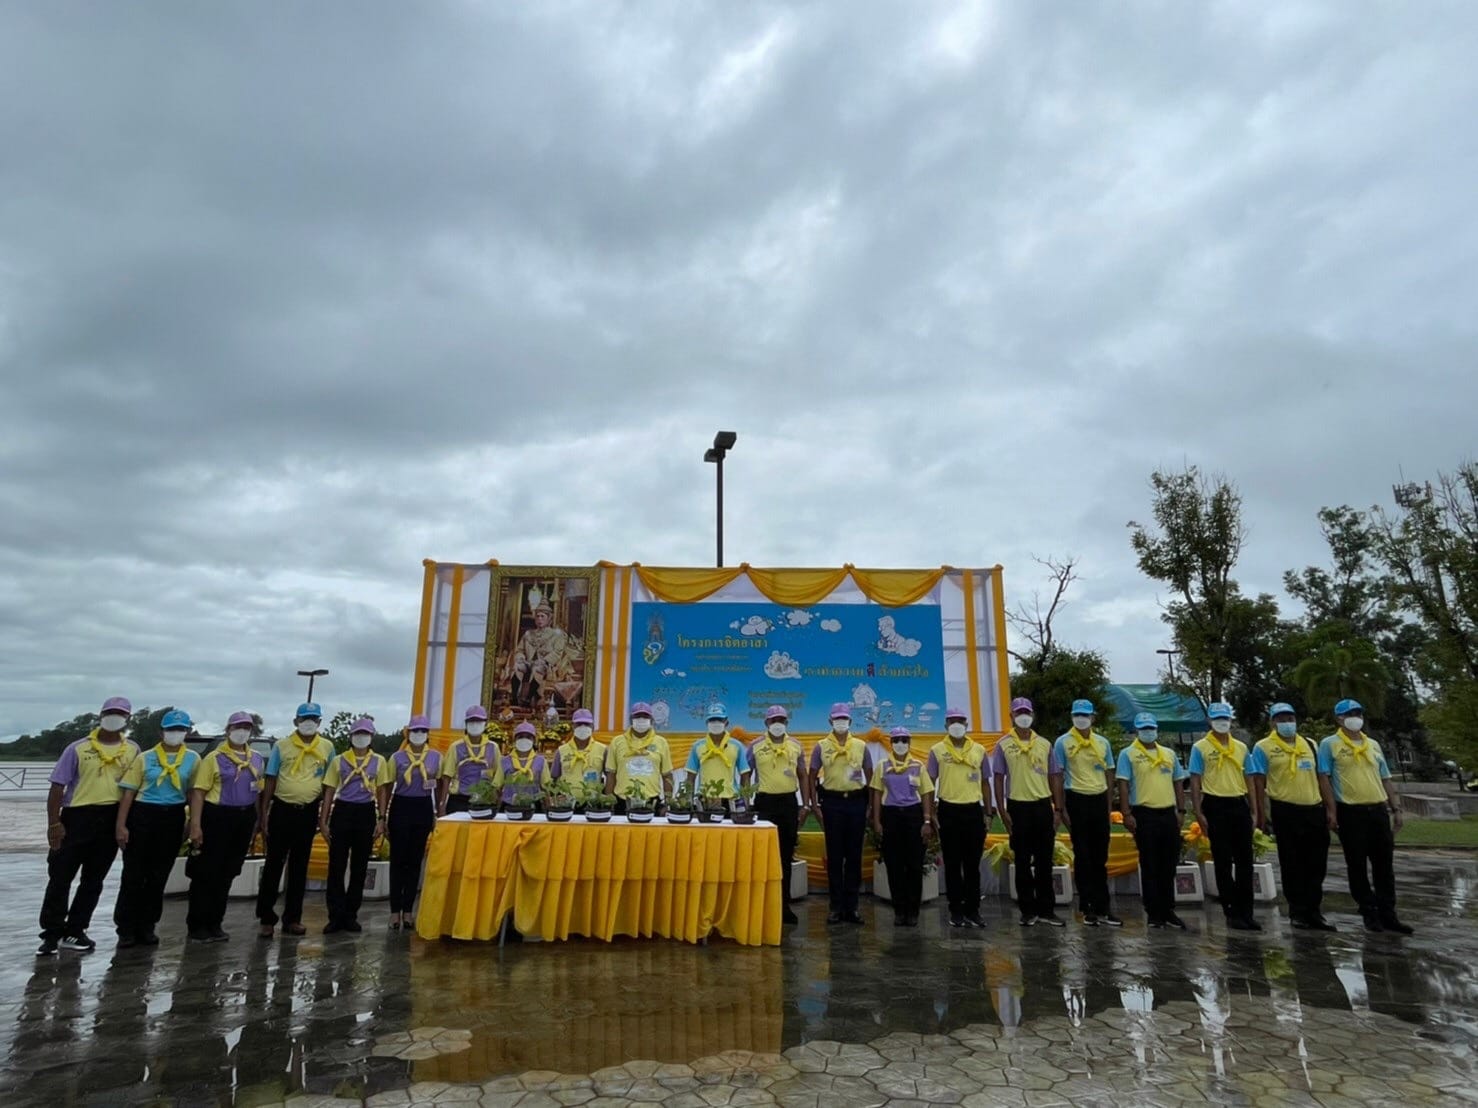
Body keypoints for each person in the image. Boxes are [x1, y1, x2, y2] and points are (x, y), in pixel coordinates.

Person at [38, 696, 142, 955]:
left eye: (120, 714)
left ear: (127, 719)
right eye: (110, 712)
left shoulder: (133, 750)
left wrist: (124, 825)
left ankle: (75, 930)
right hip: (76, 817)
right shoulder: (77, 748)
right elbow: (57, 787)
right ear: (101, 715)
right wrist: (54, 822)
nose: (114, 717)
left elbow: (134, 788)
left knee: (93, 880)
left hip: (110, 818)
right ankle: (51, 933)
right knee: (60, 877)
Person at [1318, 698, 1412, 934]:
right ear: (1339, 718)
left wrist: (1396, 808)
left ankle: (1389, 914)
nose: (1355, 717)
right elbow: (1324, 779)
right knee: (1357, 865)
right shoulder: (1329, 744)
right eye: (1350, 713)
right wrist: (1332, 810)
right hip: (1351, 811)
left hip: (1377, 809)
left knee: (1384, 866)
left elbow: (1386, 778)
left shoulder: (1373, 745)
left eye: (1358, 712)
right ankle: (1369, 912)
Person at [113, 709, 200, 948]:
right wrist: (121, 825)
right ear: (161, 732)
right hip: (142, 814)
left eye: (181, 730)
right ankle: (125, 927)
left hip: (172, 817)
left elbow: (193, 793)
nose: (176, 734)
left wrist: (194, 824)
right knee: (133, 874)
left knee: (158, 875)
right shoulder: (145, 757)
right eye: (171, 729)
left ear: (187, 732)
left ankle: (148, 925)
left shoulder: (193, 759)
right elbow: (128, 792)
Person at [1246, 703, 1333, 931]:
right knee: (1292, 863)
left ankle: (1314, 911)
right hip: (1285, 810)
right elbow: (1258, 782)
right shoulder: (1263, 747)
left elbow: (1323, 778)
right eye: (1281, 718)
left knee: (1317, 863)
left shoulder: (1311, 745)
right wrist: (1261, 813)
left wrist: (1331, 809)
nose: (1286, 722)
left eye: (1290, 717)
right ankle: (1298, 912)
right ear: (1273, 722)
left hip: (1313, 808)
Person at [256, 702, 335, 939]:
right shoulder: (282, 746)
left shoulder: (327, 747)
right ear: (295, 721)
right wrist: (264, 813)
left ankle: (293, 918)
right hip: (282, 810)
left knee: (299, 867)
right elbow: (270, 780)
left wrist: (323, 817)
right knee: (273, 865)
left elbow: (330, 782)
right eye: (304, 718)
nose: (309, 722)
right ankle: (266, 918)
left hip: (308, 811)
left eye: (313, 718)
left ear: (320, 722)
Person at [186, 713, 267, 943]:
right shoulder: (214, 758)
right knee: (206, 871)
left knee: (228, 871)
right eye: (237, 727)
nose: (242, 731)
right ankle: (197, 924)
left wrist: (259, 820)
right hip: (217, 815)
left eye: (246, 727)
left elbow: (258, 791)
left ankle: (215, 922)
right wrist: (195, 825)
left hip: (243, 817)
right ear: (228, 728)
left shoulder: (257, 758)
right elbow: (199, 792)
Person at [991, 698, 1066, 928]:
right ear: (1012, 716)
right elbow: (999, 777)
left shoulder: (1044, 744)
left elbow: (1054, 776)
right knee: (1022, 861)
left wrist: (1058, 808)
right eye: (1018, 712)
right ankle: (1028, 910)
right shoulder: (1003, 745)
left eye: (1026, 712)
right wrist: (1002, 810)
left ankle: (1047, 910)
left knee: (1044, 860)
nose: (1023, 716)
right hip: (1018, 806)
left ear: (1032, 715)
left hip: (1042, 805)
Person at [1188, 702, 1259, 932]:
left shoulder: (1241, 747)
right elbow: (1196, 781)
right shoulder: (1200, 747)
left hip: (1239, 803)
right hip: (1215, 804)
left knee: (1245, 861)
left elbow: (1249, 777)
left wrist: (1255, 809)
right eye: (1217, 718)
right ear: (1209, 721)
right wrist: (1198, 811)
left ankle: (1247, 911)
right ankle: (1231, 911)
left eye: (1225, 718)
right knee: (1222, 860)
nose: (1222, 722)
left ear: (1231, 720)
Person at [1116, 712, 1189, 930]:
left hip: (1167, 813)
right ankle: (1154, 912)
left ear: (1156, 729)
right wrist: (1126, 813)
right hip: (1143, 813)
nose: (1148, 732)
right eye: (1144, 728)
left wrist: (1182, 810)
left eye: (1151, 728)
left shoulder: (1168, 754)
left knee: (1169, 863)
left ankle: (1168, 909)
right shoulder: (1128, 754)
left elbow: (1178, 782)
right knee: (1150, 864)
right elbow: (1123, 784)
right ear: (1137, 731)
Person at [319, 718, 393, 934]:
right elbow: (330, 790)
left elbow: (381, 790)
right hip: (343, 810)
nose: (361, 738)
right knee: (336, 866)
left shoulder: (379, 761)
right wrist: (323, 820)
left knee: (359, 867)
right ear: (351, 737)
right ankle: (335, 915)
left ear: (371, 737)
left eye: (365, 734)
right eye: (357, 734)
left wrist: (381, 818)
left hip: (366, 812)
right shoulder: (339, 761)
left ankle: (351, 914)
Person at [1051, 699, 1120, 927]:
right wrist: (1061, 809)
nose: (1081, 718)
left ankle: (1104, 907)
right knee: (1083, 855)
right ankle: (1087, 906)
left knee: (1100, 856)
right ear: (1072, 716)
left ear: (1093, 717)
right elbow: (1058, 777)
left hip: (1098, 799)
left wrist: (1109, 803)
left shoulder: (1102, 742)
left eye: (1085, 715)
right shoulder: (1063, 742)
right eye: (1077, 714)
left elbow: (1109, 772)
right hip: (1076, 798)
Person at [926, 706, 992, 929]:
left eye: (960, 720)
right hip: (948, 810)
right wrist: (930, 814)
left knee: (973, 865)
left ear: (966, 724)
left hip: (973, 810)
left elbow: (985, 782)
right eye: (952, 720)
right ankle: (956, 911)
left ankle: (973, 911)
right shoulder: (936, 750)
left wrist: (988, 812)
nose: (956, 724)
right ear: (946, 725)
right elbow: (929, 782)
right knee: (953, 865)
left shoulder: (979, 750)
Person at [807, 703, 873, 925]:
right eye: (837, 719)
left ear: (850, 722)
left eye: (844, 718)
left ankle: (852, 907)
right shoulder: (821, 746)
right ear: (830, 721)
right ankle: (835, 907)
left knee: (854, 857)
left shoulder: (861, 746)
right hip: (832, 804)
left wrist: (871, 806)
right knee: (835, 858)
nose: (841, 722)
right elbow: (812, 774)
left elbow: (870, 776)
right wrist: (814, 805)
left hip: (856, 803)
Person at [748, 705, 808, 925]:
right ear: (766, 723)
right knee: (763, 857)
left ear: (787, 723)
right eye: (773, 720)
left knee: (785, 855)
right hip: (764, 804)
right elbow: (746, 776)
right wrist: (745, 804)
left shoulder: (796, 746)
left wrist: (806, 805)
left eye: (781, 720)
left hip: (788, 804)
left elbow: (803, 775)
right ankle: (763, 906)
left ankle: (784, 906)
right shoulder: (754, 746)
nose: (777, 724)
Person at [870, 726, 935, 927]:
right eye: (896, 740)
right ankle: (899, 910)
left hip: (913, 816)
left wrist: (927, 821)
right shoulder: (882, 765)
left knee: (914, 865)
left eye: (904, 740)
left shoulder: (918, 766)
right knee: (894, 865)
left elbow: (926, 794)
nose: (900, 744)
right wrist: (877, 821)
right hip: (891, 816)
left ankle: (913, 910)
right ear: (891, 743)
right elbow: (877, 794)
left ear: (909, 743)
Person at [386, 715, 441, 931]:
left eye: (422, 731)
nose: (418, 734)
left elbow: (438, 785)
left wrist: (438, 811)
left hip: (423, 807)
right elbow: (388, 786)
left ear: (427, 734)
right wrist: (384, 815)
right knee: (398, 860)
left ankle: (408, 910)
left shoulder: (436, 757)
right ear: (408, 734)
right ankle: (394, 911)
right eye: (415, 731)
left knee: (415, 860)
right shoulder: (397, 758)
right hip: (401, 806)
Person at [603, 702, 673, 811]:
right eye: (637, 716)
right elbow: (611, 774)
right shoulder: (617, 742)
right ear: (631, 720)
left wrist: (668, 804)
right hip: (622, 801)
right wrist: (607, 802)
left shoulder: (661, 742)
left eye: (645, 716)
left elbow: (667, 775)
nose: (641, 719)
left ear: (652, 720)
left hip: (651, 801)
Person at [684, 703, 752, 807]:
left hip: (730, 800)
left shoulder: (736, 746)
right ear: (707, 723)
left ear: (726, 722)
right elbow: (690, 777)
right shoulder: (698, 746)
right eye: (712, 720)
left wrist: (745, 803)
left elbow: (745, 775)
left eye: (719, 720)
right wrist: (688, 804)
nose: (716, 723)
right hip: (704, 799)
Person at [511, 599, 575, 707]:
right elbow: (519, 650)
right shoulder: (528, 634)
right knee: (518, 666)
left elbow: (557, 652)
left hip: (548, 666)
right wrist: (520, 657)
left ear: (549, 619)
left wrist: (544, 660)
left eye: (543, 616)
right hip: (529, 662)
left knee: (538, 667)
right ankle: (514, 697)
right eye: (538, 616)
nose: (539, 619)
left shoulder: (557, 635)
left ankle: (528, 697)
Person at [438, 705, 495, 815]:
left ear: (485, 723)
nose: (475, 724)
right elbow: (446, 777)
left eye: (478, 721)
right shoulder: (456, 747)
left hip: (484, 801)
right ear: (466, 724)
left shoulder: (493, 748)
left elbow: (498, 776)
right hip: (459, 800)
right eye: (471, 721)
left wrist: (496, 800)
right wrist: (442, 804)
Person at [496, 722, 553, 808]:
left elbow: (546, 787)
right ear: (515, 740)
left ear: (534, 740)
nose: (524, 739)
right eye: (520, 737)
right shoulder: (504, 761)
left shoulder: (541, 761)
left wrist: (549, 807)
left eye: (528, 737)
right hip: (509, 805)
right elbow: (497, 787)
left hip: (533, 805)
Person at [552, 709, 607, 798]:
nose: (582, 727)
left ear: (593, 727)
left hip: (592, 803)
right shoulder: (561, 751)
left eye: (586, 724)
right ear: (572, 726)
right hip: (567, 803)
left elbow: (610, 776)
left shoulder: (602, 750)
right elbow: (554, 778)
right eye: (579, 724)